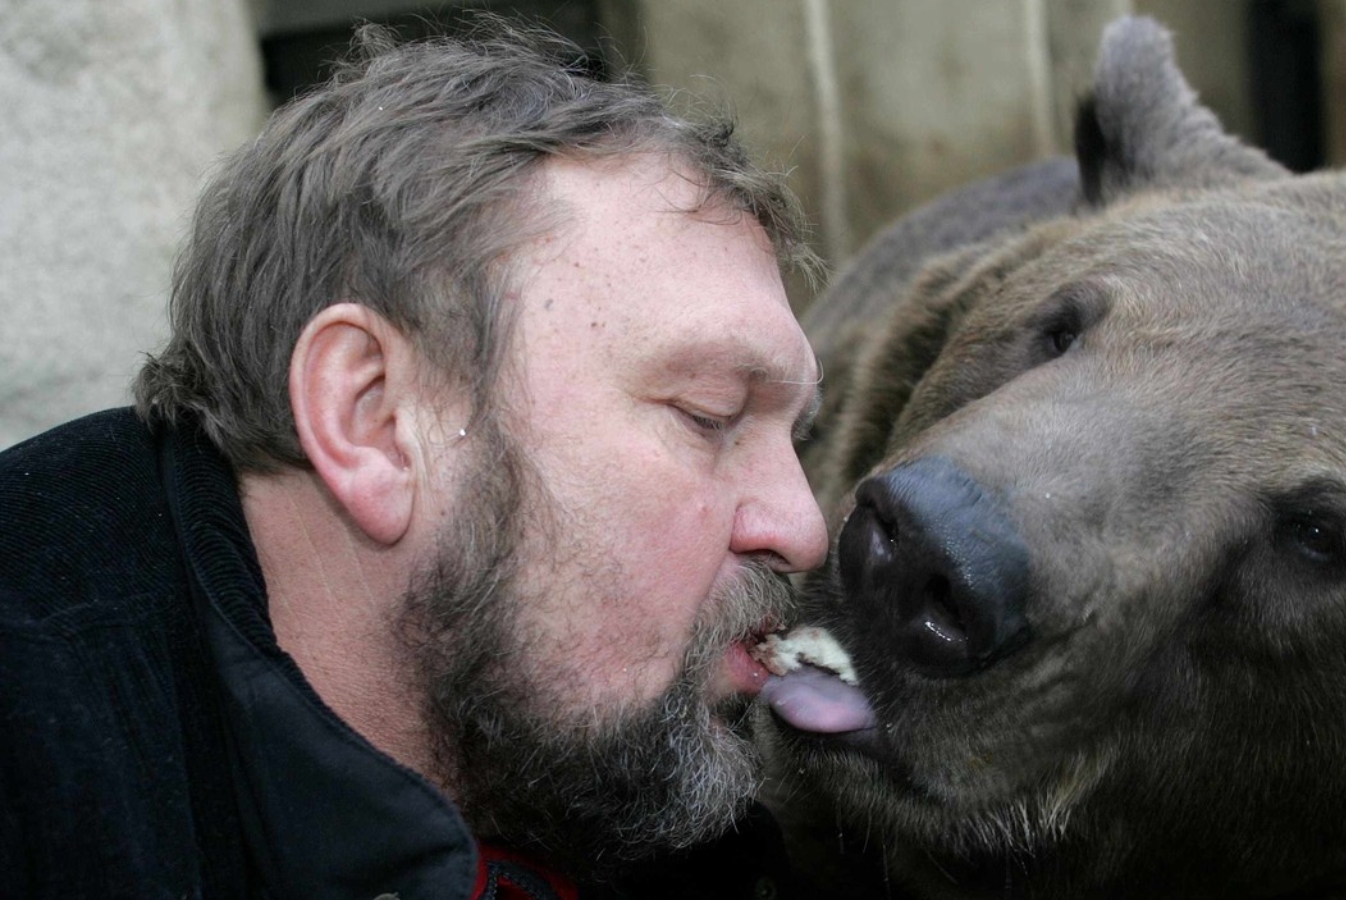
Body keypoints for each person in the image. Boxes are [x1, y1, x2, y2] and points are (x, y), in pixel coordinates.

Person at [0, 18, 829, 900]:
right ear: (376, 418)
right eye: (709, 414)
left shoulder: (636, 793)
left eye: (798, 436)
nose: (805, 526)